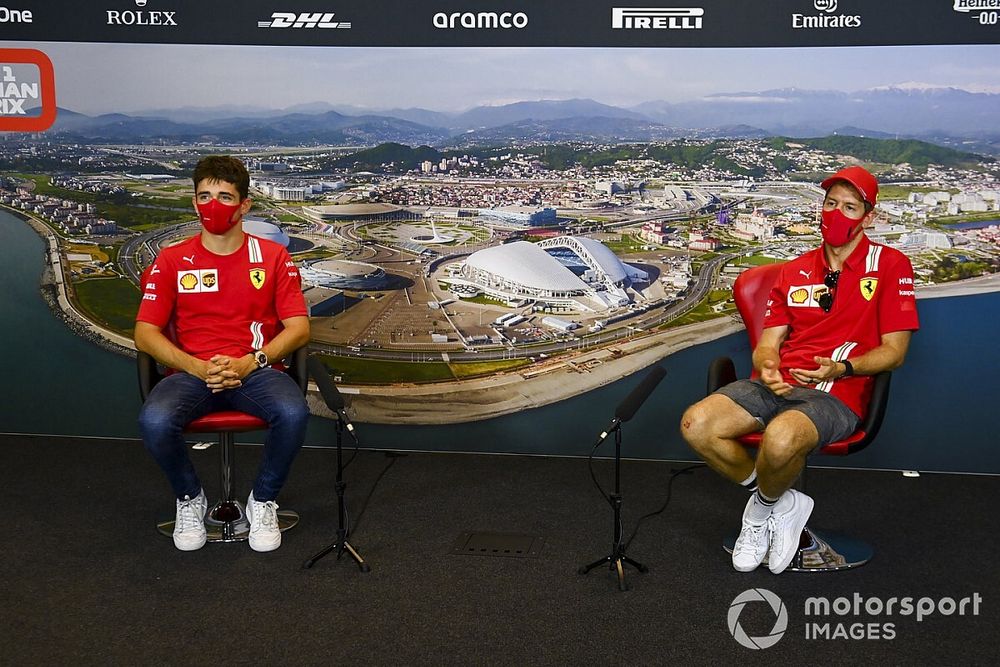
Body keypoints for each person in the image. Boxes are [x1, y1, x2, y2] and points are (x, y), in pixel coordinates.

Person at [680, 166, 919, 574]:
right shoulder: (793, 271)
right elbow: (768, 343)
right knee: (696, 424)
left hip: (837, 392)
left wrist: (844, 367)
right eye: (830, 204)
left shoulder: (892, 265)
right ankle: (781, 503)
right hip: (780, 385)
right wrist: (767, 364)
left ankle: (757, 515)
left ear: (869, 216)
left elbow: (894, 353)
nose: (836, 213)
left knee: (780, 438)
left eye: (849, 206)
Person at [136, 155, 310, 552]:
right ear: (194, 202)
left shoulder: (272, 257)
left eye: (225, 196)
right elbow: (145, 333)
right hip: (191, 372)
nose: (213, 205)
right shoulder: (172, 260)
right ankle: (189, 499)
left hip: (257, 369)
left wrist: (252, 361)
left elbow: (299, 327)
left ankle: (263, 499)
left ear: (245, 204)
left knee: (294, 412)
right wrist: (197, 366)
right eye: (204, 195)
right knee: (155, 420)